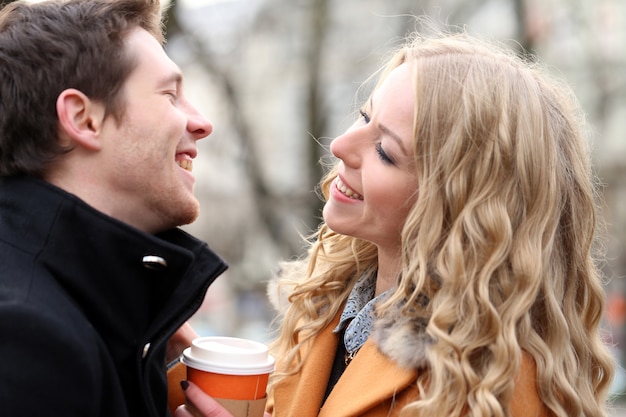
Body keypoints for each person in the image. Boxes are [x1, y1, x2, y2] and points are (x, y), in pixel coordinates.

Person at [258, 30, 616, 417]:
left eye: (384, 151)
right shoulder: (324, 308)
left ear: (460, 206)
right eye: (364, 115)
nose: (340, 146)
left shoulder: (494, 388)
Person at [0, 1, 227, 416]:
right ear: (83, 118)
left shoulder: (83, 314)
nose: (201, 122)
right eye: (170, 95)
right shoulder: (25, 337)